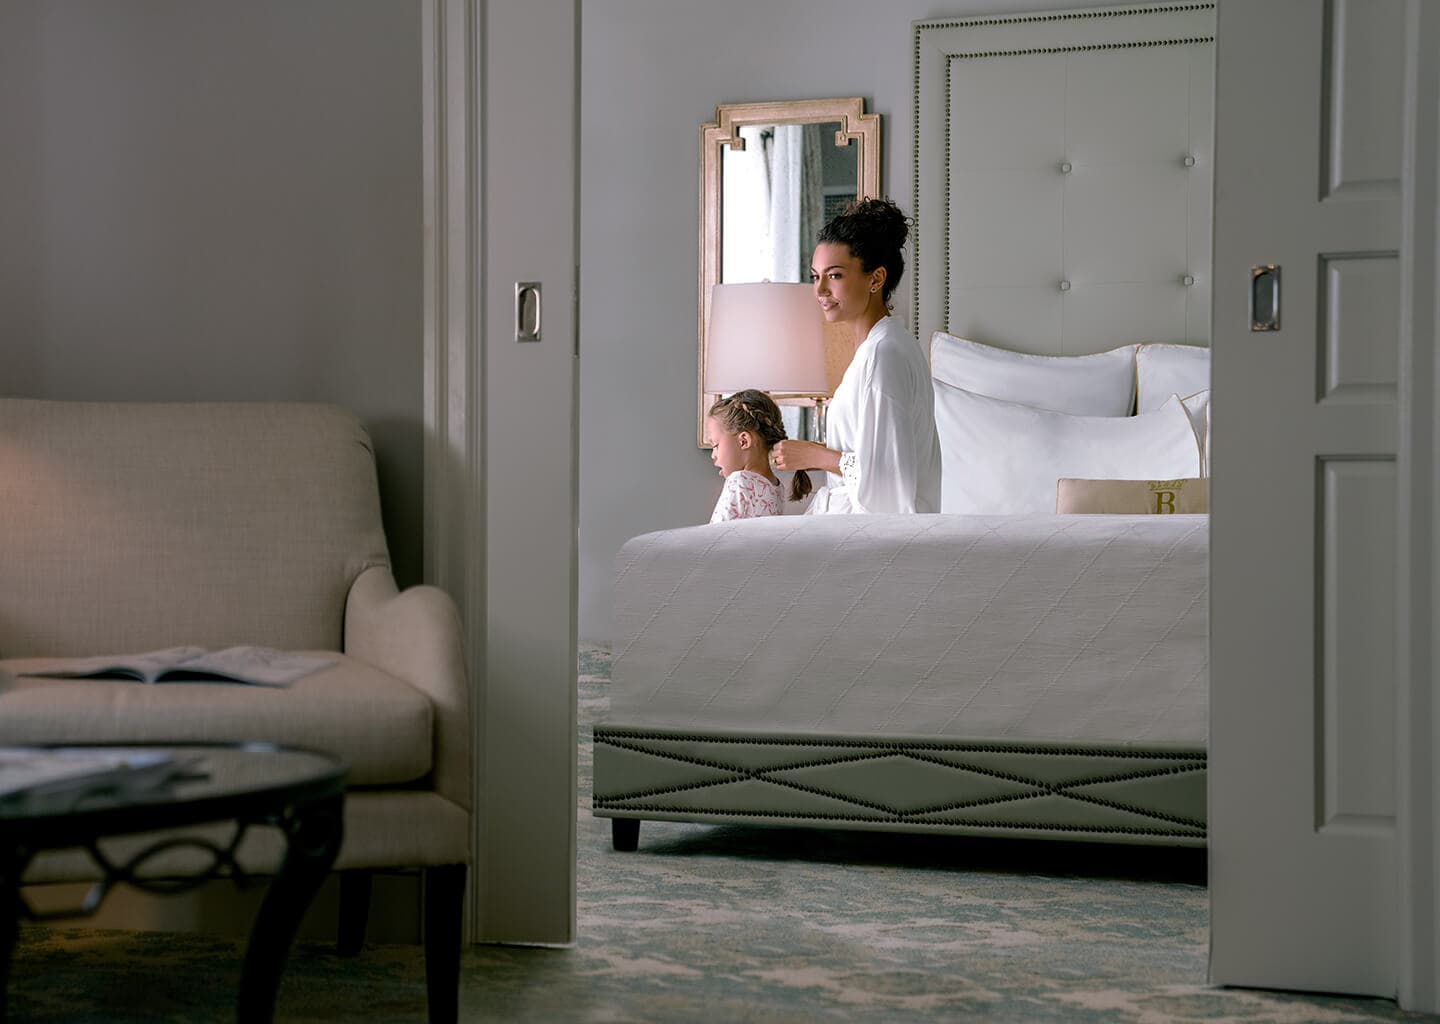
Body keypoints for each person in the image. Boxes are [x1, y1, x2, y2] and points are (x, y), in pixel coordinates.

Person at [771, 198, 941, 514]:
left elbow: (888, 485)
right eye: (815, 275)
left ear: (876, 279)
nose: (820, 290)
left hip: (872, 540)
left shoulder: (885, 356)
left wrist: (816, 456)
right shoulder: (879, 349)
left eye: (834, 275)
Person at [705, 389, 813, 523]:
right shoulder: (776, 486)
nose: (713, 455)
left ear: (743, 441)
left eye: (715, 445)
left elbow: (714, 536)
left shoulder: (739, 481)